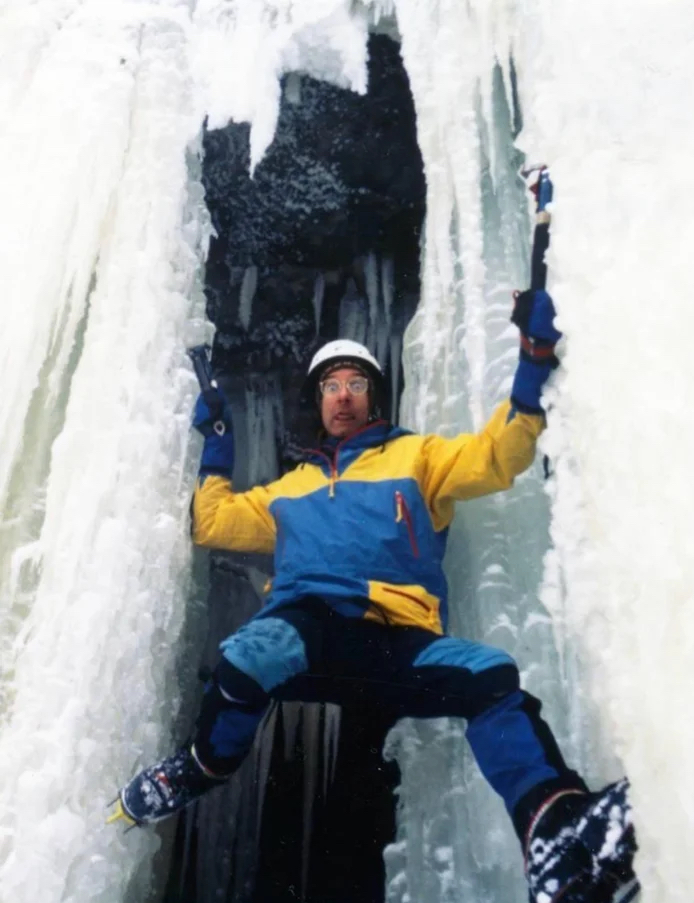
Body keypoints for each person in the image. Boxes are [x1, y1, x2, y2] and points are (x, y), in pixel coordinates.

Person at [110, 290, 636, 903]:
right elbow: (214, 524)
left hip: (395, 639)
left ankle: (556, 834)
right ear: (317, 399)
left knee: (492, 676)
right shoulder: (291, 488)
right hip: (305, 632)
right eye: (330, 385)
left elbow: (498, 455)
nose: (342, 394)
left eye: (355, 382)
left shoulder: (418, 458)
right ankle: (200, 766)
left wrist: (534, 357)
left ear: (372, 394)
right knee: (254, 651)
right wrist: (218, 447)